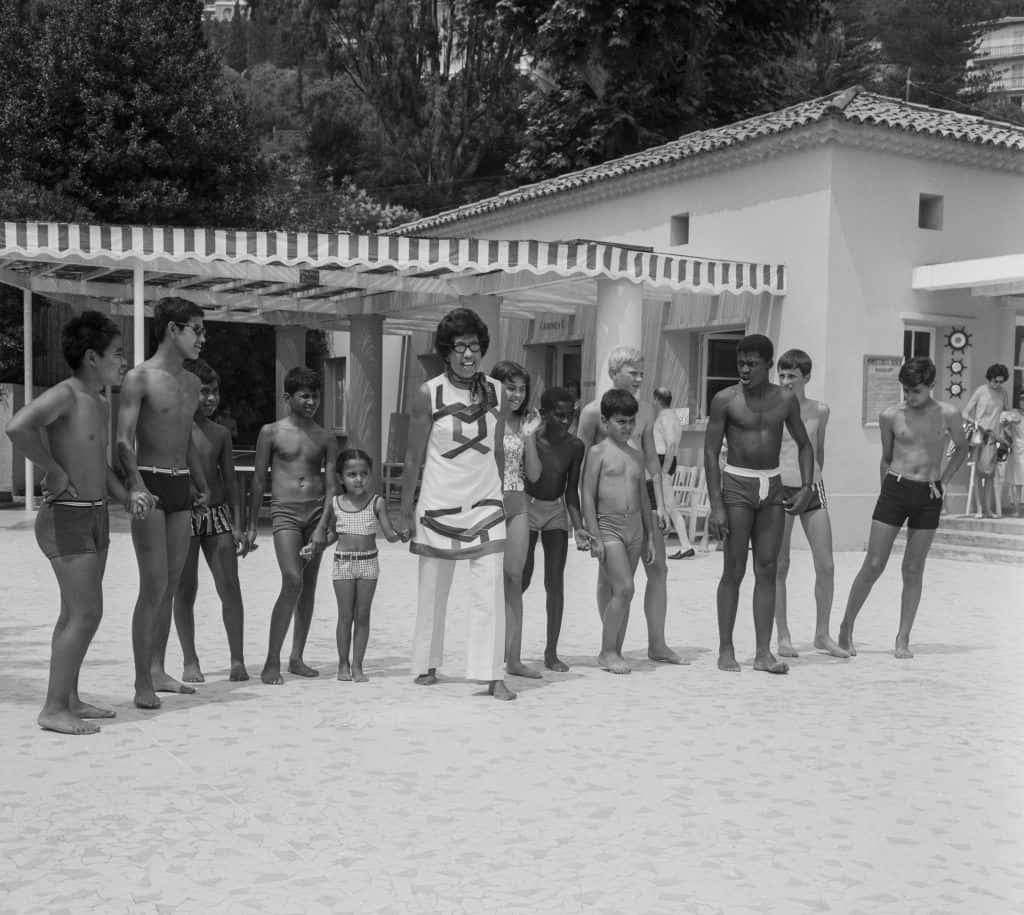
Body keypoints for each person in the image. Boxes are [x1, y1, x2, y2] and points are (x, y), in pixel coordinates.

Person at [6, 312, 151, 734]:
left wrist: (128, 497)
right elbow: (18, 426)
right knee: (86, 613)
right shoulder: (67, 394)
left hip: (95, 514)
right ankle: (53, 709)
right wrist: (51, 468)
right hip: (66, 516)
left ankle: (68, 697)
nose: (124, 361)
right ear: (92, 356)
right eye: (118, 354)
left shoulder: (100, 401)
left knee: (75, 612)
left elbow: (101, 467)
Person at [400, 307, 515, 700]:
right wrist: (403, 508)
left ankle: (491, 674)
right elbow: (413, 456)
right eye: (460, 346)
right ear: (446, 351)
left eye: (475, 346)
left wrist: (507, 496)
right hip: (437, 501)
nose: (469, 354)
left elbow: (498, 450)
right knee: (433, 589)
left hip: (486, 502)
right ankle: (427, 662)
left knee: (489, 589)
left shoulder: (497, 392)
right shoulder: (428, 392)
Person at [839, 357, 968, 659]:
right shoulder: (890, 415)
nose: (910, 397)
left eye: (916, 391)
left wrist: (945, 480)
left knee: (913, 568)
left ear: (931, 386)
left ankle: (903, 637)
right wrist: (886, 488)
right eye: (906, 391)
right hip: (896, 489)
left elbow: (963, 447)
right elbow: (886, 456)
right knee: (873, 564)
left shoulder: (949, 414)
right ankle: (846, 627)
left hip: (929, 493)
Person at [117, 297, 211, 709]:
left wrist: (201, 482)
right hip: (150, 485)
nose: (202, 338)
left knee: (171, 584)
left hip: (181, 488)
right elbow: (122, 439)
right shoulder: (140, 378)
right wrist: (135, 484)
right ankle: (141, 682)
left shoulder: (191, 384)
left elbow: (187, 437)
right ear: (173, 329)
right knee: (152, 585)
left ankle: (157, 668)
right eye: (197, 329)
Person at [704, 334, 815, 675]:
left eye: (753, 363)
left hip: (772, 487)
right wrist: (717, 505)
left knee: (767, 569)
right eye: (741, 363)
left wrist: (808, 486)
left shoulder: (785, 399)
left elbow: (804, 444)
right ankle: (726, 648)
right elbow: (710, 453)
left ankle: (763, 653)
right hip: (737, 484)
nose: (745, 369)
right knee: (733, 571)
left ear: (769, 364)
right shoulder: (725, 400)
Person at [577, 346, 682, 664]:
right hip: (608, 506)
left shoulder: (647, 411)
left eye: (641, 372)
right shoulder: (593, 412)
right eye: (632, 372)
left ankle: (657, 643)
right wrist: (583, 520)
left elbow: (651, 460)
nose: (639, 378)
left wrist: (660, 504)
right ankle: (611, 643)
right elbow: (580, 464)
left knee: (659, 569)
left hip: (644, 498)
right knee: (610, 580)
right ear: (613, 373)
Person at [243, 366, 337, 685]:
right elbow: (258, 480)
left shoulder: (325, 437)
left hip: (315, 514)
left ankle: (296, 657)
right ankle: (272, 659)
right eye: (304, 396)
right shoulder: (271, 432)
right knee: (292, 579)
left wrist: (325, 524)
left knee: (308, 586)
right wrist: (252, 524)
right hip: (284, 511)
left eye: (315, 396)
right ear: (288, 397)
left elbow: (331, 487)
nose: (311, 402)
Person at [171, 359, 249, 684]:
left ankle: (237, 658)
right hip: (185, 516)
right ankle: (190, 659)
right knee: (185, 589)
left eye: (214, 392)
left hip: (217, 516)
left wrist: (237, 522)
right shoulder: (173, 430)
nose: (210, 399)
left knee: (229, 587)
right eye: (203, 392)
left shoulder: (219, 433)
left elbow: (230, 481)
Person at [304, 449, 407, 682]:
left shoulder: (376, 502)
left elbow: (389, 534)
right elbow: (333, 535)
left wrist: (403, 534)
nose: (358, 479)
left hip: (369, 563)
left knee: (362, 616)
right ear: (341, 478)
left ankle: (358, 665)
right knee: (345, 616)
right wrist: (314, 547)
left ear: (370, 475)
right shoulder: (335, 503)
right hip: (343, 564)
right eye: (352, 474)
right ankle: (343, 663)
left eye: (363, 473)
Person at [772, 350, 848, 659]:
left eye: (792, 376)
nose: (786, 381)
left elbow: (819, 449)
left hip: (812, 487)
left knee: (826, 565)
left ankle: (822, 634)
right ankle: (783, 635)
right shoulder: (772, 408)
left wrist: (813, 479)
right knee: (780, 565)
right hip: (780, 489)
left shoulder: (821, 410)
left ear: (806, 377)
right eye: (782, 375)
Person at [581, 389, 653, 674]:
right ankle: (607, 651)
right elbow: (586, 494)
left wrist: (648, 536)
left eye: (631, 421)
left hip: (635, 527)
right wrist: (593, 534)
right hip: (609, 526)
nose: (627, 427)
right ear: (605, 421)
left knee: (622, 593)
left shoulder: (637, 456)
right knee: (624, 587)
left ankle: (616, 650)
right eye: (621, 421)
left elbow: (644, 498)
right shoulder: (597, 453)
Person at [521, 386, 589, 672]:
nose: (565, 421)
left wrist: (579, 527)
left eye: (570, 415)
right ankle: (505, 643)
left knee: (555, 582)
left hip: (554, 512)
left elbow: (571, 490)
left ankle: (551, 652)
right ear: (544, 414)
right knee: (521, 579)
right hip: (527, 507)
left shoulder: (575, 446)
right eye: (559, 415)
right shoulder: (531, 439)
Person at [491, 360, 543, 679]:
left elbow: (534, 474)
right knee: (489, 583)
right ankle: (490, 654)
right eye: (511, 387)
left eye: (522, 388)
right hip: (489, 505)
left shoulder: (525, 424)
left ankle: (514, 658)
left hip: (517, 503)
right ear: (497, 387)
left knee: (514, 579)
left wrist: (529, 438)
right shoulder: (486, 422)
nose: (517, 394)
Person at [652, 387, 696, 560]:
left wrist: (664, 469)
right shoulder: (670, 416)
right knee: (662, 505)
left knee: (669, 506)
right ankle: (666, 543)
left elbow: (671, 445)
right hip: (663, 461)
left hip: (664, 461)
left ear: (656, 399)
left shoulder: (667, 417)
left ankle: (685, 546)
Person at [964, 364, 1010, 518]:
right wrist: (974, 422)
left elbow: (1006, 413)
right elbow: (965, 412)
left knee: (990, 474)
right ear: (989, 378)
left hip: (994, 437)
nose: (997, 384)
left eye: (1000, 381)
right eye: (995, 381)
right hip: (978, 435)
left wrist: (1006, 421)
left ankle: (988, 509)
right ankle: (978, 509)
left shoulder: (1003, 393)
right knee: (977, 473)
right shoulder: (981, 391)